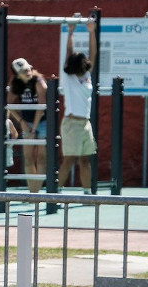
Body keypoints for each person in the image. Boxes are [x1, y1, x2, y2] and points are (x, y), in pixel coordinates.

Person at [59, 22, 98, 191]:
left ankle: (87, 193)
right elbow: (69, 52)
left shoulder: (87, 75)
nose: (86, 62)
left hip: (85, 123)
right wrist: (70, 32)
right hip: (72, 123)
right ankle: (56, 192)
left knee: (85, 160)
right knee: (69, 160)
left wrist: (91, 32)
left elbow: (93, 52)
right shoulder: (68, 78)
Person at [9, 57, 48, 192]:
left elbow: (41, 106)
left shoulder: (38, 81)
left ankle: (36, 193)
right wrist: (22, 122)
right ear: (17, 75)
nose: (27, 72)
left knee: (41, 158)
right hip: (26, 123)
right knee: (28, 158)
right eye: (23, 71)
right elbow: (8, 104)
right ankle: (33, 192)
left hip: (42, 122)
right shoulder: (16, 84)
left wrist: (34, 129)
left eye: (28, 69)